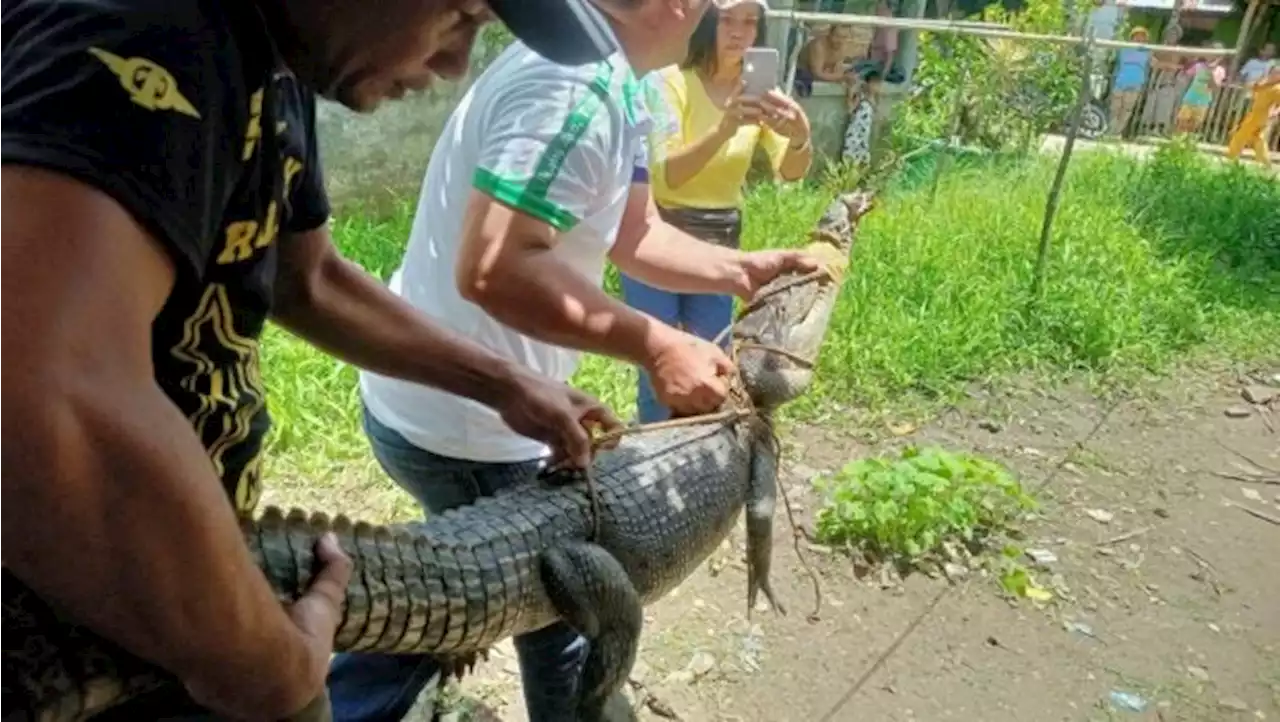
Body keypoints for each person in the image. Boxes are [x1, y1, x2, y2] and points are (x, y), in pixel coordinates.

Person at [0, 0, 637, 720]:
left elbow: (310, 279)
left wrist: (507, 383)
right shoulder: (152, 27)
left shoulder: (276, 56)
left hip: (163, 585)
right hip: (68, 602)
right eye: (461, 14)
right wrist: (269, 670)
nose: (458, 62)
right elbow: (44, 393)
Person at [330, 0, 823, 719]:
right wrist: (655, 343)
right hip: (469, 421)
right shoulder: (573, 85)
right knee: (533, 621)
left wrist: (740, 269)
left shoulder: (626, 82)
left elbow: (634, 231)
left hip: (475, 405)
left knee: (465, 599)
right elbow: (494, 267)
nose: (717, 17)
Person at [618, 0, 814, 425]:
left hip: (719, 242)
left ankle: (699, 456)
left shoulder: (760, 96)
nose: (739, 32)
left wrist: (800, 137)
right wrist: (724, 127)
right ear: (706, 22)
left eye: (750, 22)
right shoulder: (671, 82)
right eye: (727, 19)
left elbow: (791, 171)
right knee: (658, 365)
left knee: (714, 365)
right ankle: (652, 454)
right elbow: (668, 176)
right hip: (657, 237)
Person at [1226, 66, 1280, 167]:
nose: (1274, 75)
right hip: (1254, 116)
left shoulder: (1277, 89)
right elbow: (1252, 87)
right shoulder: (1265, 85)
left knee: (1240, 137)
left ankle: (1232, 157)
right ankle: (1265, 163)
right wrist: (1263, 81)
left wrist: (1276, 112)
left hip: (1261, 118)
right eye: (1273, 72)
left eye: (1277, 73)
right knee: (1257, 140)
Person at [1108, 26, 1152, 138]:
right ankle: (1111, 131)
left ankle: (1117, 133)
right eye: (1137, 36)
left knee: (1126, 110)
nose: (1140, 39)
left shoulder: (1147, 52)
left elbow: (1152, 65)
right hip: (1120, 81)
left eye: (1142, 37)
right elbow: (1115, 63)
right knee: (1115, 108)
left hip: (1136, 84)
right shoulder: (1123, 48)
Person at [1175, 47, 1224, 135]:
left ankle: (1186, 142)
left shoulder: (1220, 70)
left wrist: (1210, 72)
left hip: (1203, 101)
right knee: (1182, 122)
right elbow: (1186, 72)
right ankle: (1176, 141)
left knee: (1194, 125)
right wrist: (1192, 60)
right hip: (1190, 98)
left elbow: (1214, 86)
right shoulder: (1199, 65)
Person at [843, 68, 883, 166]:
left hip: (864, 132)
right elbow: (850, 109)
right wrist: (850, 94)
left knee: (863, 153)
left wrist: (872, 101)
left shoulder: (875, 99)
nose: (876, 87)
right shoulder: (861, 96)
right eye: (874, 84)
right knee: (852, 151)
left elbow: (876, 112)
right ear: (867, 83)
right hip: (855, 130)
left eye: (878, 84)